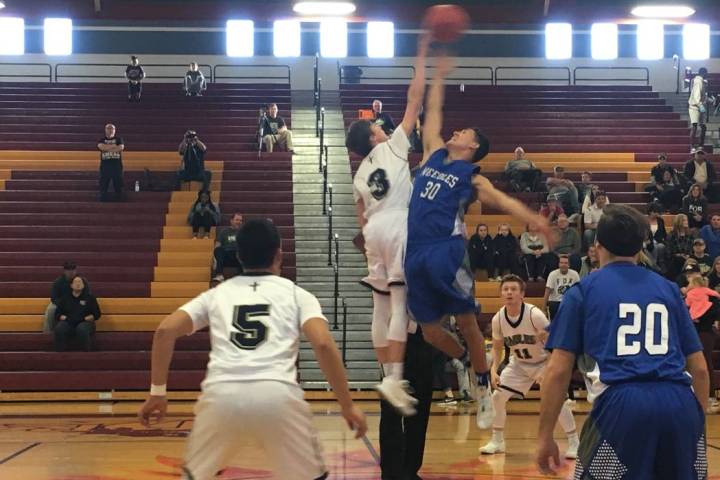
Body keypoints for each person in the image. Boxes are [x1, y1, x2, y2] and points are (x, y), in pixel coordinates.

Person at [138, 219, 367, 479]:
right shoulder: (297, 294)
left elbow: (165, 331)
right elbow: (324, 344)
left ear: (238, 256)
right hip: (278, 396)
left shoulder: (216, 294)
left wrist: (157, 392)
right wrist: (347, 405)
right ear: (279, 254)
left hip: (221, 396)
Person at [404, 55, 553, 428]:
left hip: (445, 251)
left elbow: (501, 201)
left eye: (464, 132)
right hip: (415, 251)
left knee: (468, 321)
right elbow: (432, 110)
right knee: (429, 331)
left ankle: (484, 388)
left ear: (472, 147)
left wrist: (534, 220)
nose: (456, 132)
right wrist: (437, 74)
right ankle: (467, 363)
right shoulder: (433, 155)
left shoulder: (470, 175)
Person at [537, 204, 709, 478]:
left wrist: (544, 435)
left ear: (597, 245)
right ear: (641, 247)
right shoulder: (668, 289)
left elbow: (557, 371)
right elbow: (699, 369)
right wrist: (694, 423)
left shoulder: (583, 291)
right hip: (680, 402)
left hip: (623, 405)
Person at [346, 36, 428, 415]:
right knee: (398, 302)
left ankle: (385, 373)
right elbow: (413, 103)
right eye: (377, 126)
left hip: (373, 229)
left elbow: (361, 217)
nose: (381, 126)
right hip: (396, 224)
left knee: (380, 306)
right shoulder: (394, 144)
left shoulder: (359, 172)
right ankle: (394, 378)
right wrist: (421, 61)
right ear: (374, 135)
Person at [480, 275, 578, 457]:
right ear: (501, 293)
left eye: (513, 289)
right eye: (505, 289)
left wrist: (549, 368)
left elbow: (555, 344)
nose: (509, 292)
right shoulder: (498, 319)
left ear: (522, 294)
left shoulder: (535, 315)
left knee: (557, 401)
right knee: (497, 398)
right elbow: (497, 348)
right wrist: (493, 370)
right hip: (519, 364)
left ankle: (574, 443)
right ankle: (497, 440)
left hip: (543, 362)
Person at [379, 322, 435, 480]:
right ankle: (391, 474)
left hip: (422, 341)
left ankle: (410, 471)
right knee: (391, 413)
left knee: (419, 409)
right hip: (393, 341)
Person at [684, 275, 720, 413]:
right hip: (704, 332)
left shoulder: (691, 296)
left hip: (702, 332)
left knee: (704, 362)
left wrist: (696, 319)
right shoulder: (712, 297)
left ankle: (709, 396)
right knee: (704, 362)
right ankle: (705, 396)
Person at [53, 276, 101, 352]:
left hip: (85, 322)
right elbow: (57, 314)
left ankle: (85, 353)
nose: (78, 284)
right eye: (75, 282)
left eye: (80, 282)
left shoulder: (90, 298)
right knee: (59, 328)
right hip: (68, 321)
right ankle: (59, 353)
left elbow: (97, 314)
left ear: (84, 285)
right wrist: (64, 318)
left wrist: (88, 318)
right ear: (71, 285)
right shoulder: (65, 298)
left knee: (81, 329)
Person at [45, 262, 91, 334]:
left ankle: (85, 328)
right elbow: (54, 298)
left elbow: (88, 296)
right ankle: (49, 332)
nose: (71, 272)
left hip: (78, 302)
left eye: (73, 270)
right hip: (62, 303)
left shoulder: (82, 281)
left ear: (76, 270)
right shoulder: (58, 282)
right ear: (64, 271)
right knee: (51, 309)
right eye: (68, 270)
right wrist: (64, 304)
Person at [543, 255, 580, 320]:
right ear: (558, 264)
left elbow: (578, 290)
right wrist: (543, 309)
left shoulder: (575, 274)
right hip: (555, 302)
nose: (563, 265)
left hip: (569, 301)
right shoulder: (552, 274)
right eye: (561, 263)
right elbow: (547, 291)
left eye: (566, 263)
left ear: (569, 265)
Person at [97, 123, 125, 202]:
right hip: (105, 165)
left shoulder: (119, 139)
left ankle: (119, 199)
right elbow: (100, 146)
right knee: (103, 183)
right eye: (108, 128)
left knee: (118, 183)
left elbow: (121, 148)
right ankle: (103, 199)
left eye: (112, 128)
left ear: (115, 130)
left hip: (116, 165)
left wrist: (106, 148)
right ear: (105, 130)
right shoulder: (101, 139)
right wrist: (114, 147)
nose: (110, 130)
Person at [213, 213, 243, 282]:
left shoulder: (243, 233)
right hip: (226, 257)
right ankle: (219, 275)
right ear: (231, 221)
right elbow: (217, 246)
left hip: (238, 257)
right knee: (219, 250)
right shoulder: (224, 232)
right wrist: (214, 260)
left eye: (240, 220)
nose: (239, 222)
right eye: (237, 220)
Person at [666, 213, 696, 279]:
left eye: (686, 220)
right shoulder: (671, 235)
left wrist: (688, 255)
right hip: (675, 260)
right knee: (678, 261)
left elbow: (692, 248)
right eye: (684, 220)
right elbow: (668, 251)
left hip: (688, 259)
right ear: (678, 222)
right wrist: (678, 255)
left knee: (690, 264)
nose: (686, 222)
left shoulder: (691, 234)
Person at [688, 67, 708, 147]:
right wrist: (700, 105)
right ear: (703, 73)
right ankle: (692, 146)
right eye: (706, 73)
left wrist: (708, 100)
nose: (707, 75)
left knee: (703, 127)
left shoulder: (702, 82)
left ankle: (700, 146)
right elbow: (696, 96)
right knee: (694, 126)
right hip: (694, 107)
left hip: (699, 106)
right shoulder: (698, 82)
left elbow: (702, 96)